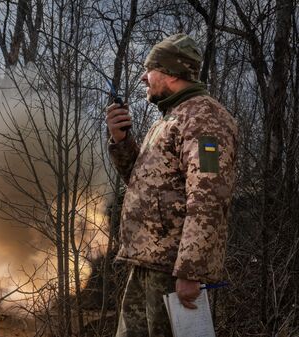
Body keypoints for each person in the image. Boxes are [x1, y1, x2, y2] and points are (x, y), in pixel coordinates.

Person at [106, 33, 238, 336]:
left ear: (170, 73)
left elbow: (208, 197)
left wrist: (190, 271)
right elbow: (145, 185)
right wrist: (121, 141)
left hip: (171, 269)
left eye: (149, 69)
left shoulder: (205, 119)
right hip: (148, 263)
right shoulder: (170, 119)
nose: (144, 77)